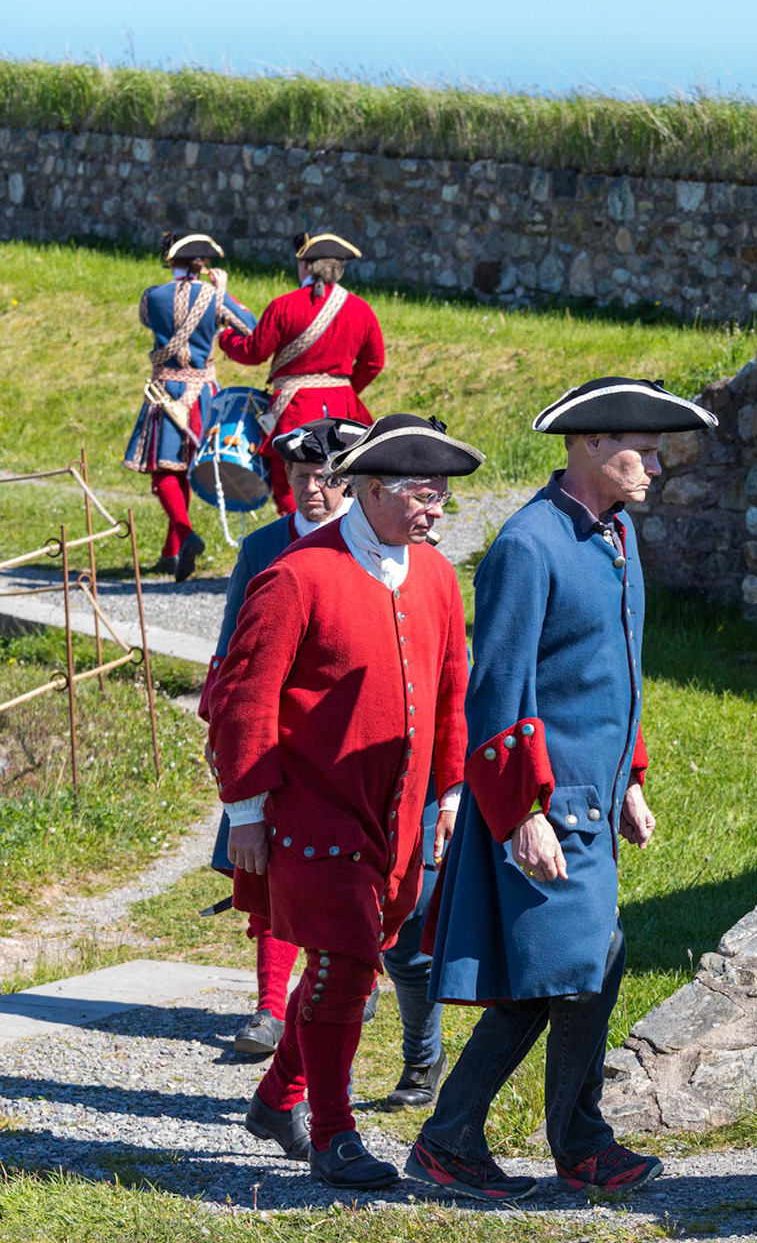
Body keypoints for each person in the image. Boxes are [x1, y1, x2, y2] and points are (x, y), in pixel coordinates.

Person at [408, 377, 715, 1201]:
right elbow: (498, 694)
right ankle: (504, 1141)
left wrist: (632, 779)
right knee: (569, 971)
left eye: (656, 451)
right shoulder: (527, 545)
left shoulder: (615, 533)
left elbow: (620, 670)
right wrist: (520, 814)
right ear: (586, 446)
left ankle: (512, 1139)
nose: (655, 464)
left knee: (581, 969)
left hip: (591, 803)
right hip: (541, 808)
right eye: (640, 450)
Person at [208, 413, 482, 1189]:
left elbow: (452, 688)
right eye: (423, 495)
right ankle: (332, 1134)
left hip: (400, 815)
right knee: (348, 963)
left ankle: (274, 1099)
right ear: (368, 489)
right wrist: (248, 815)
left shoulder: (434, 574)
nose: (435, 511)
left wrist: (453, 789)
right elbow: (244, 700)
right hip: (311, 809)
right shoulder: (297, 574)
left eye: (441, 497)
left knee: (345, 965)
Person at [199, 417, 368, 1057]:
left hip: (346, 742)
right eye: (302, 478)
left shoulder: (370, 547)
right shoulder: (263, 547)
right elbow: (229, 657)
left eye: (328, 478)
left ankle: (349, 976)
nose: (315, 490)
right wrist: (227, 734)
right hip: (273, 738)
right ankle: (270, 1010)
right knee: (269, 871)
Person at [218, 232, 384, 514]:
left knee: (290, 484)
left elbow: (253, 353)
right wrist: (342, 388)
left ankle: (301, 547)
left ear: (305, 266)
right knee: (348, 485)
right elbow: (374, 362)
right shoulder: (361, 308)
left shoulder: (284, 306)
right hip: (343, 407)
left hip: (296, 409)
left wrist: (226, 337)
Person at [123, 231, 256, 581]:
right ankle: (175, 547)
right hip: (203, 393)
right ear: (204, 264)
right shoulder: (215, 297)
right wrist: (222, 295)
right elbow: (250, 326)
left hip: (165, 389)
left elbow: (147, 321)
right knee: (183, 469)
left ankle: (181, 540)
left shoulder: (151, 297)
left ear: (171, 260)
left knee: (166, 472)